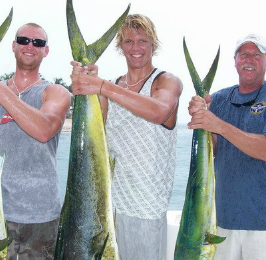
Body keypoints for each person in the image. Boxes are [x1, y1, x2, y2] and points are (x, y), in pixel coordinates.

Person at [70, 14, 183, 260]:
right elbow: (94, 135)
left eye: (142, 41)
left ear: (154, 44)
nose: (136, 48)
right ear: (120, 46)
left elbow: (159, 111)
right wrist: (85, 84)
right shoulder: (110, 86)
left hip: (146, 210)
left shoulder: (165, 81)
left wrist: (101, 86)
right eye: (129, 41)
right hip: (108, 209)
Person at [0, 23, 71, 259]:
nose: (30, 46)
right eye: (23, 40)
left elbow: (44, 129)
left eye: (38, 42)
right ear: (14, 46)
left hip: (40, 218)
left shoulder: (55, 92)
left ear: (46, 51)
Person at [188, 33, 266, 260]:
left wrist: (219, 125)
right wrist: (200, 119)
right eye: (244, 54)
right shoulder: (220, 99)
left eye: (256, 54)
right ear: (235, 61)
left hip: (262, 225)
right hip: (220, 222)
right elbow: (212, 150)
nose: (249, 59)